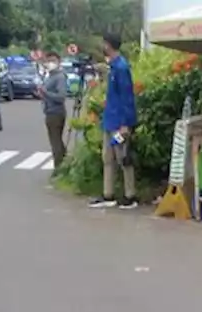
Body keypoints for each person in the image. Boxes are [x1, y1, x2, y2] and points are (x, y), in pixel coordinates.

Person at [88, 33, 139, 209]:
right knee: (107, 158)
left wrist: (126, 123)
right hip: (110, 120)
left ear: (109, 45)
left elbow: (127, 97)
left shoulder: (122, 68)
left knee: (123, 157)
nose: (102, 45)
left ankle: (130, 195)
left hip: (119, 121)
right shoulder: (112, 67)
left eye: (104, 43)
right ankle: (108, 194)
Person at [40, 52, 68, 176]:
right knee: (57, 142)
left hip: (56, 113)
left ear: (58, 62)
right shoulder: (49, 76)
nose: (50, 63)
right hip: (49, 111)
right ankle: (64, 167)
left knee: (55, 143)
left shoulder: (59, 77)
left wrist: (45, 92)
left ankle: (59, 170)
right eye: (48, 60)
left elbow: (61, 97)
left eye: (53, 60)